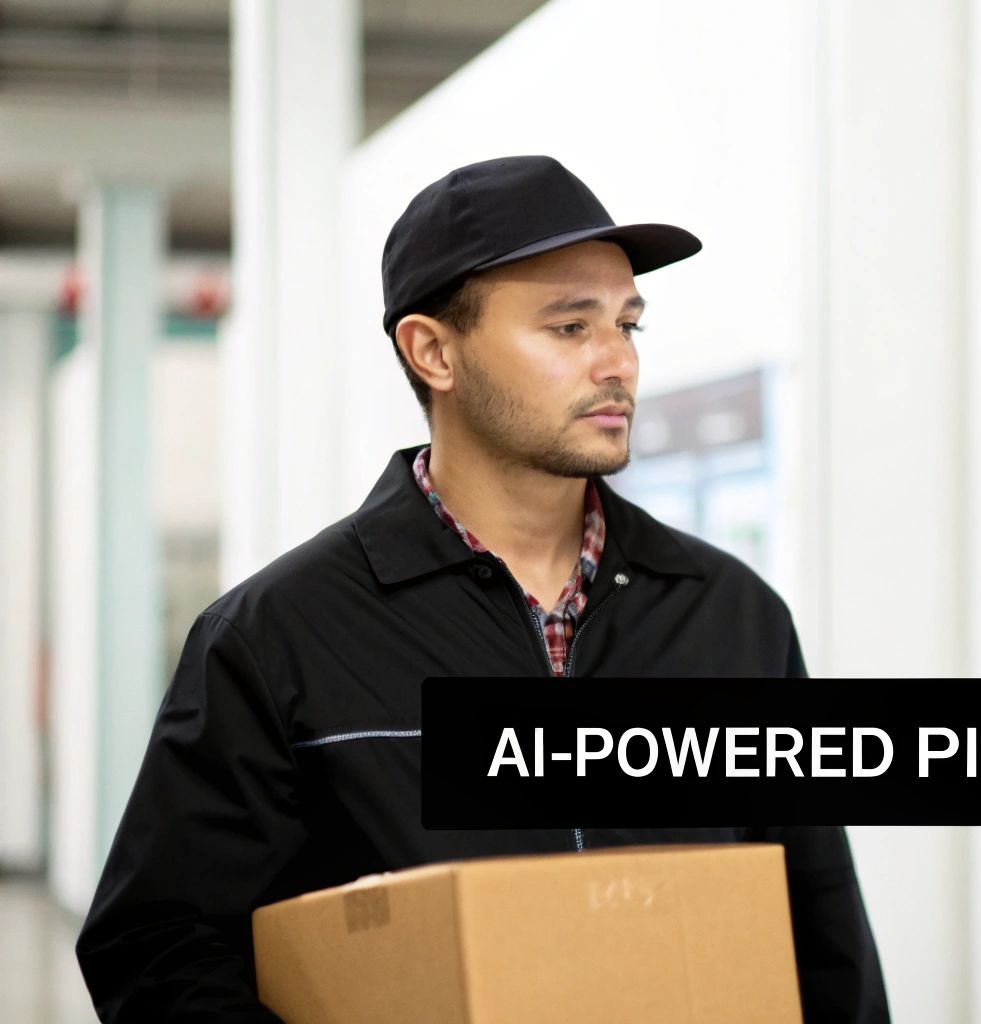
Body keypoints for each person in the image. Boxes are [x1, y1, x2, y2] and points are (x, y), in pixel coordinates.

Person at [75, 155, 890, 1022]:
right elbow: (158, 943)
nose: (617, 362)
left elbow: (823, 933)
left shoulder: (732, 615)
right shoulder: (280, 636)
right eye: (570, 329)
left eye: (628, 325)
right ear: (434, 352)